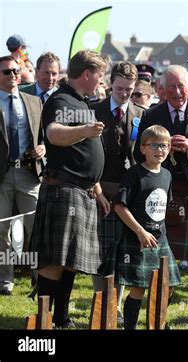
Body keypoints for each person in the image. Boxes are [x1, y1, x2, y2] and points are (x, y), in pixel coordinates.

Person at [133, 65, 188, 323]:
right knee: (162, 256)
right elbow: (138, 151)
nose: (177, 91)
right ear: (161, 89)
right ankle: (158, 309)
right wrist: (160, 148)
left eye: (181, 86)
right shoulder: (152, 114)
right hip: (165, 193)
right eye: (171, 86)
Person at [29, 50, 110, 328]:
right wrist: (85, 131)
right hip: (64, 190)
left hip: (81, 190)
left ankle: (60, 319)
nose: (102, 81)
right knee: (54, 261)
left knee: (70, 261)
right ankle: (45, 320)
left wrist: (97, 189)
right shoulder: (62, 99)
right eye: (100, 75)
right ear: (86, 74)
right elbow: (53, 133)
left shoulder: (81, 101)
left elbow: (82, 154)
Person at [91, 61, 145, 324]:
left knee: (123, 250)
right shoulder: (93, 111)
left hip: (128, 193)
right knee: (100, 250)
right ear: (110, 83)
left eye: (130, 90)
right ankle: (101, 301)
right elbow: (86, 156)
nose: (124, 94)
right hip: (98, 189)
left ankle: (117, 306)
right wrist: (95, 187)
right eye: (120, 88)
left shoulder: (142, 115)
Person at [112, 125, 180, 329]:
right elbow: (119, 207)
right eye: (154, 146)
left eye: (164, 146)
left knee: (167, 286)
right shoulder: (134, 174)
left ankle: (157, 321)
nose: (160, 150)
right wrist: (140, 231)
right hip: (138, 239)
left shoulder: (167, 175)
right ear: (143, 148)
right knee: (138, 288)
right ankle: (130, 326)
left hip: (160, 240)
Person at [0, 55, 45, 296]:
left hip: (29, 173)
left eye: (16, 71)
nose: (13, 76)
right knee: (1, 231)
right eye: (7, 72)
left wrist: (43, 148)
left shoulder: (33, 102)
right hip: (2, 175)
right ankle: (5, 281)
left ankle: (40, 280)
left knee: (35, 228)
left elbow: (44, 136)